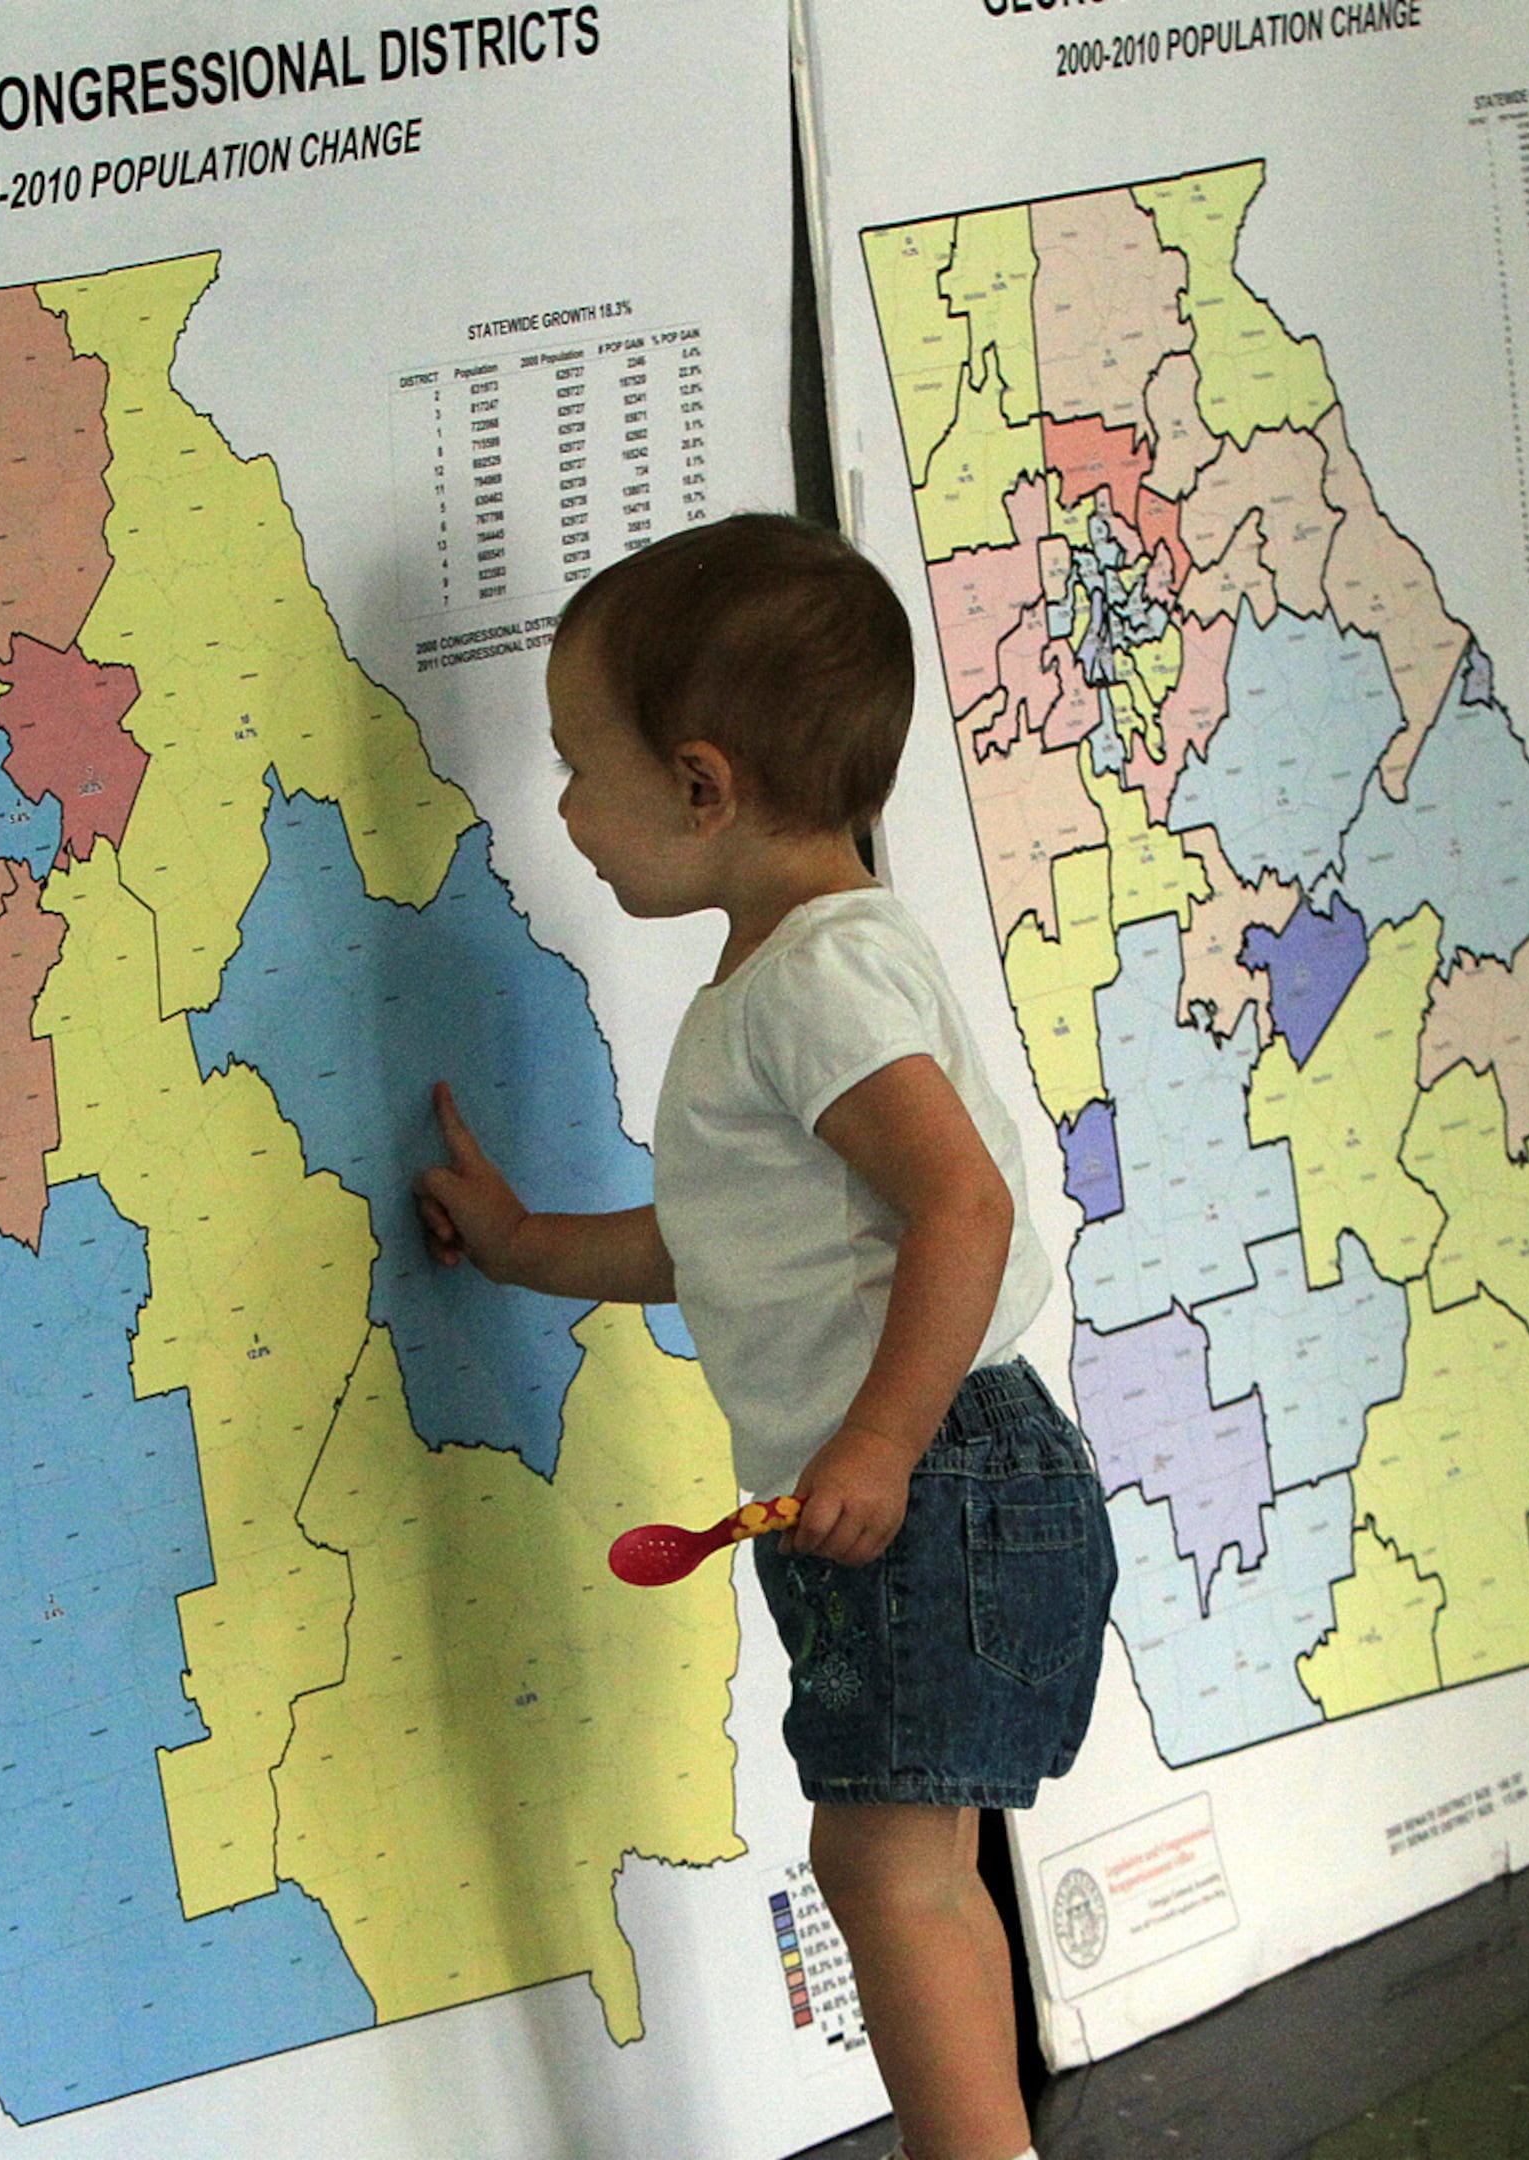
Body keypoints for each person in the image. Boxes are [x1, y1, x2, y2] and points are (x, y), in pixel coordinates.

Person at [417, 513, 1111, 2160]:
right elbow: (738, 1246)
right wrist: (524, 1249)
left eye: (582, 768)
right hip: (938, 1477)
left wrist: (872, 1441)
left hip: (924, 1480)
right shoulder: (810, 969)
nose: (569, 811)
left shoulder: (809, 986)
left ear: (705, 784)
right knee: (917, 1868)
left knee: (886, 1873)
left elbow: (962, 1211)